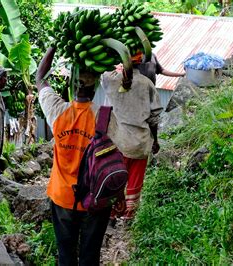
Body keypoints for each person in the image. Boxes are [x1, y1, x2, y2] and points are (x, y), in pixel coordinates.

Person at [36, 47, 111, 266]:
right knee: (90, 257)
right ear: (96, 85)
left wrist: (54, 46)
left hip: (62, 197)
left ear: (72, 84)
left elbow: (40, 78)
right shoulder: (105, 117)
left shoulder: (57, 110)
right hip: (95, 199)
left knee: (66, 255)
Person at [101, 51, 163, 224]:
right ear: (141, 61)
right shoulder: (146, 84)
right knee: (134, 181)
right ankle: (128, 217)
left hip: (116, 143)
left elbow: (103, 68)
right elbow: (154, 118)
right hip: (139, 144)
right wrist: (155, 140)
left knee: (115, 180)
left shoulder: (110, 80)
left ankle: (112, 214)